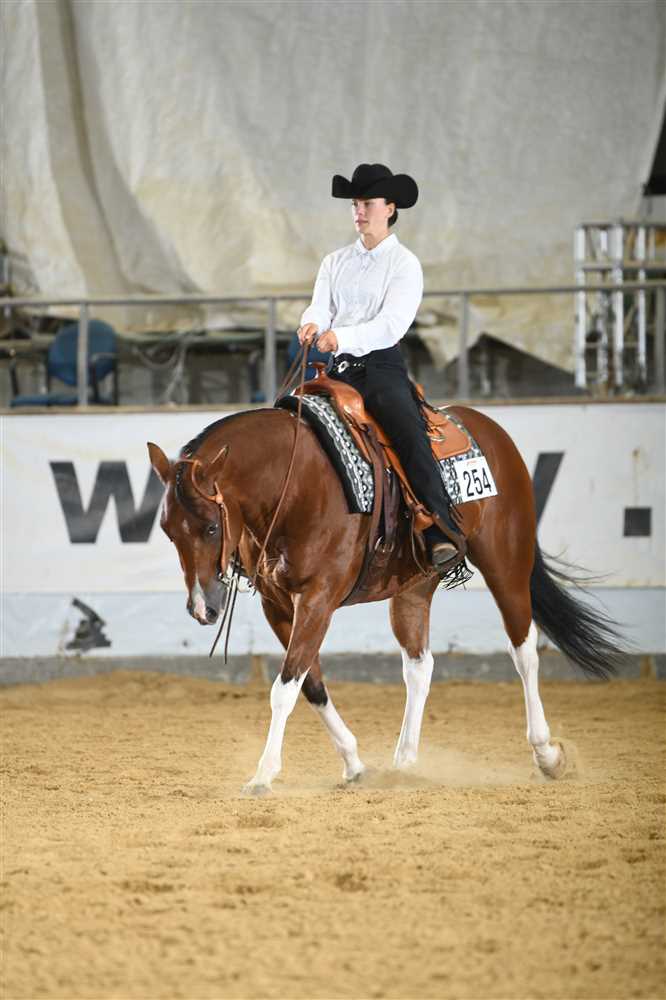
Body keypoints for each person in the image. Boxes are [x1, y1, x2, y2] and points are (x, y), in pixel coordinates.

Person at [297, 162, 465, 572]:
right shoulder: (334, 261)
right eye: (355, 204)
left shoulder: (404, 264)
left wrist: (341, 337)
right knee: (291, 416)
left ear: (389, 208)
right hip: (337, 370)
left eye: (367, 203)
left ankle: (437, 527)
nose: (359, 211)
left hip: (380, 369)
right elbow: (320, 305)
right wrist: (312, 323)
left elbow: (391, 325)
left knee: (407, 432)